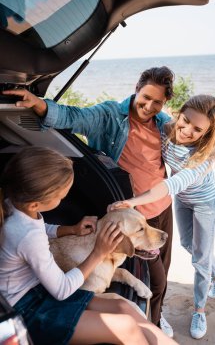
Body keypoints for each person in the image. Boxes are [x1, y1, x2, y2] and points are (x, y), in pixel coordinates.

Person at [2, 66, 175, 337]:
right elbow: (75, 116)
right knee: (148, 290)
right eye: (146, 98)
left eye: (158, 102)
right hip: (128, 217)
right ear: (136, 88)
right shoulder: (110, 115)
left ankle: (156, 318)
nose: (150, 106)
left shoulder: (164, 123)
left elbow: (40, 228)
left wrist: (68, 230)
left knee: (148, 286)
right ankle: (150, 324)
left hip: (159, 208)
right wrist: (40, 106)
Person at [0, 146, 178, 345]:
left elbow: (40, 226)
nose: (63, 199)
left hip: (38, 292)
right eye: (61, 197)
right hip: (28, 310)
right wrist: (98, 253)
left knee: (123, 306)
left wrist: (70, 230)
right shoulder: (26, 235)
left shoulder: (13, 205)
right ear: (35, 204)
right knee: (126, 328)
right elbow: (62, 289)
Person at [108, 95, 215, 340]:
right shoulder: (165, 130)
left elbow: (173, 183)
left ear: (207, 133)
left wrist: (133, 201)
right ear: (179, 114)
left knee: (200, 259)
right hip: (184, 201)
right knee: (188, 244)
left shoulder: (206, 155)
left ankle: (199, 310)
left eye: (197, 129)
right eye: (185, 121)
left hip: (206, 202)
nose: (187, 131)